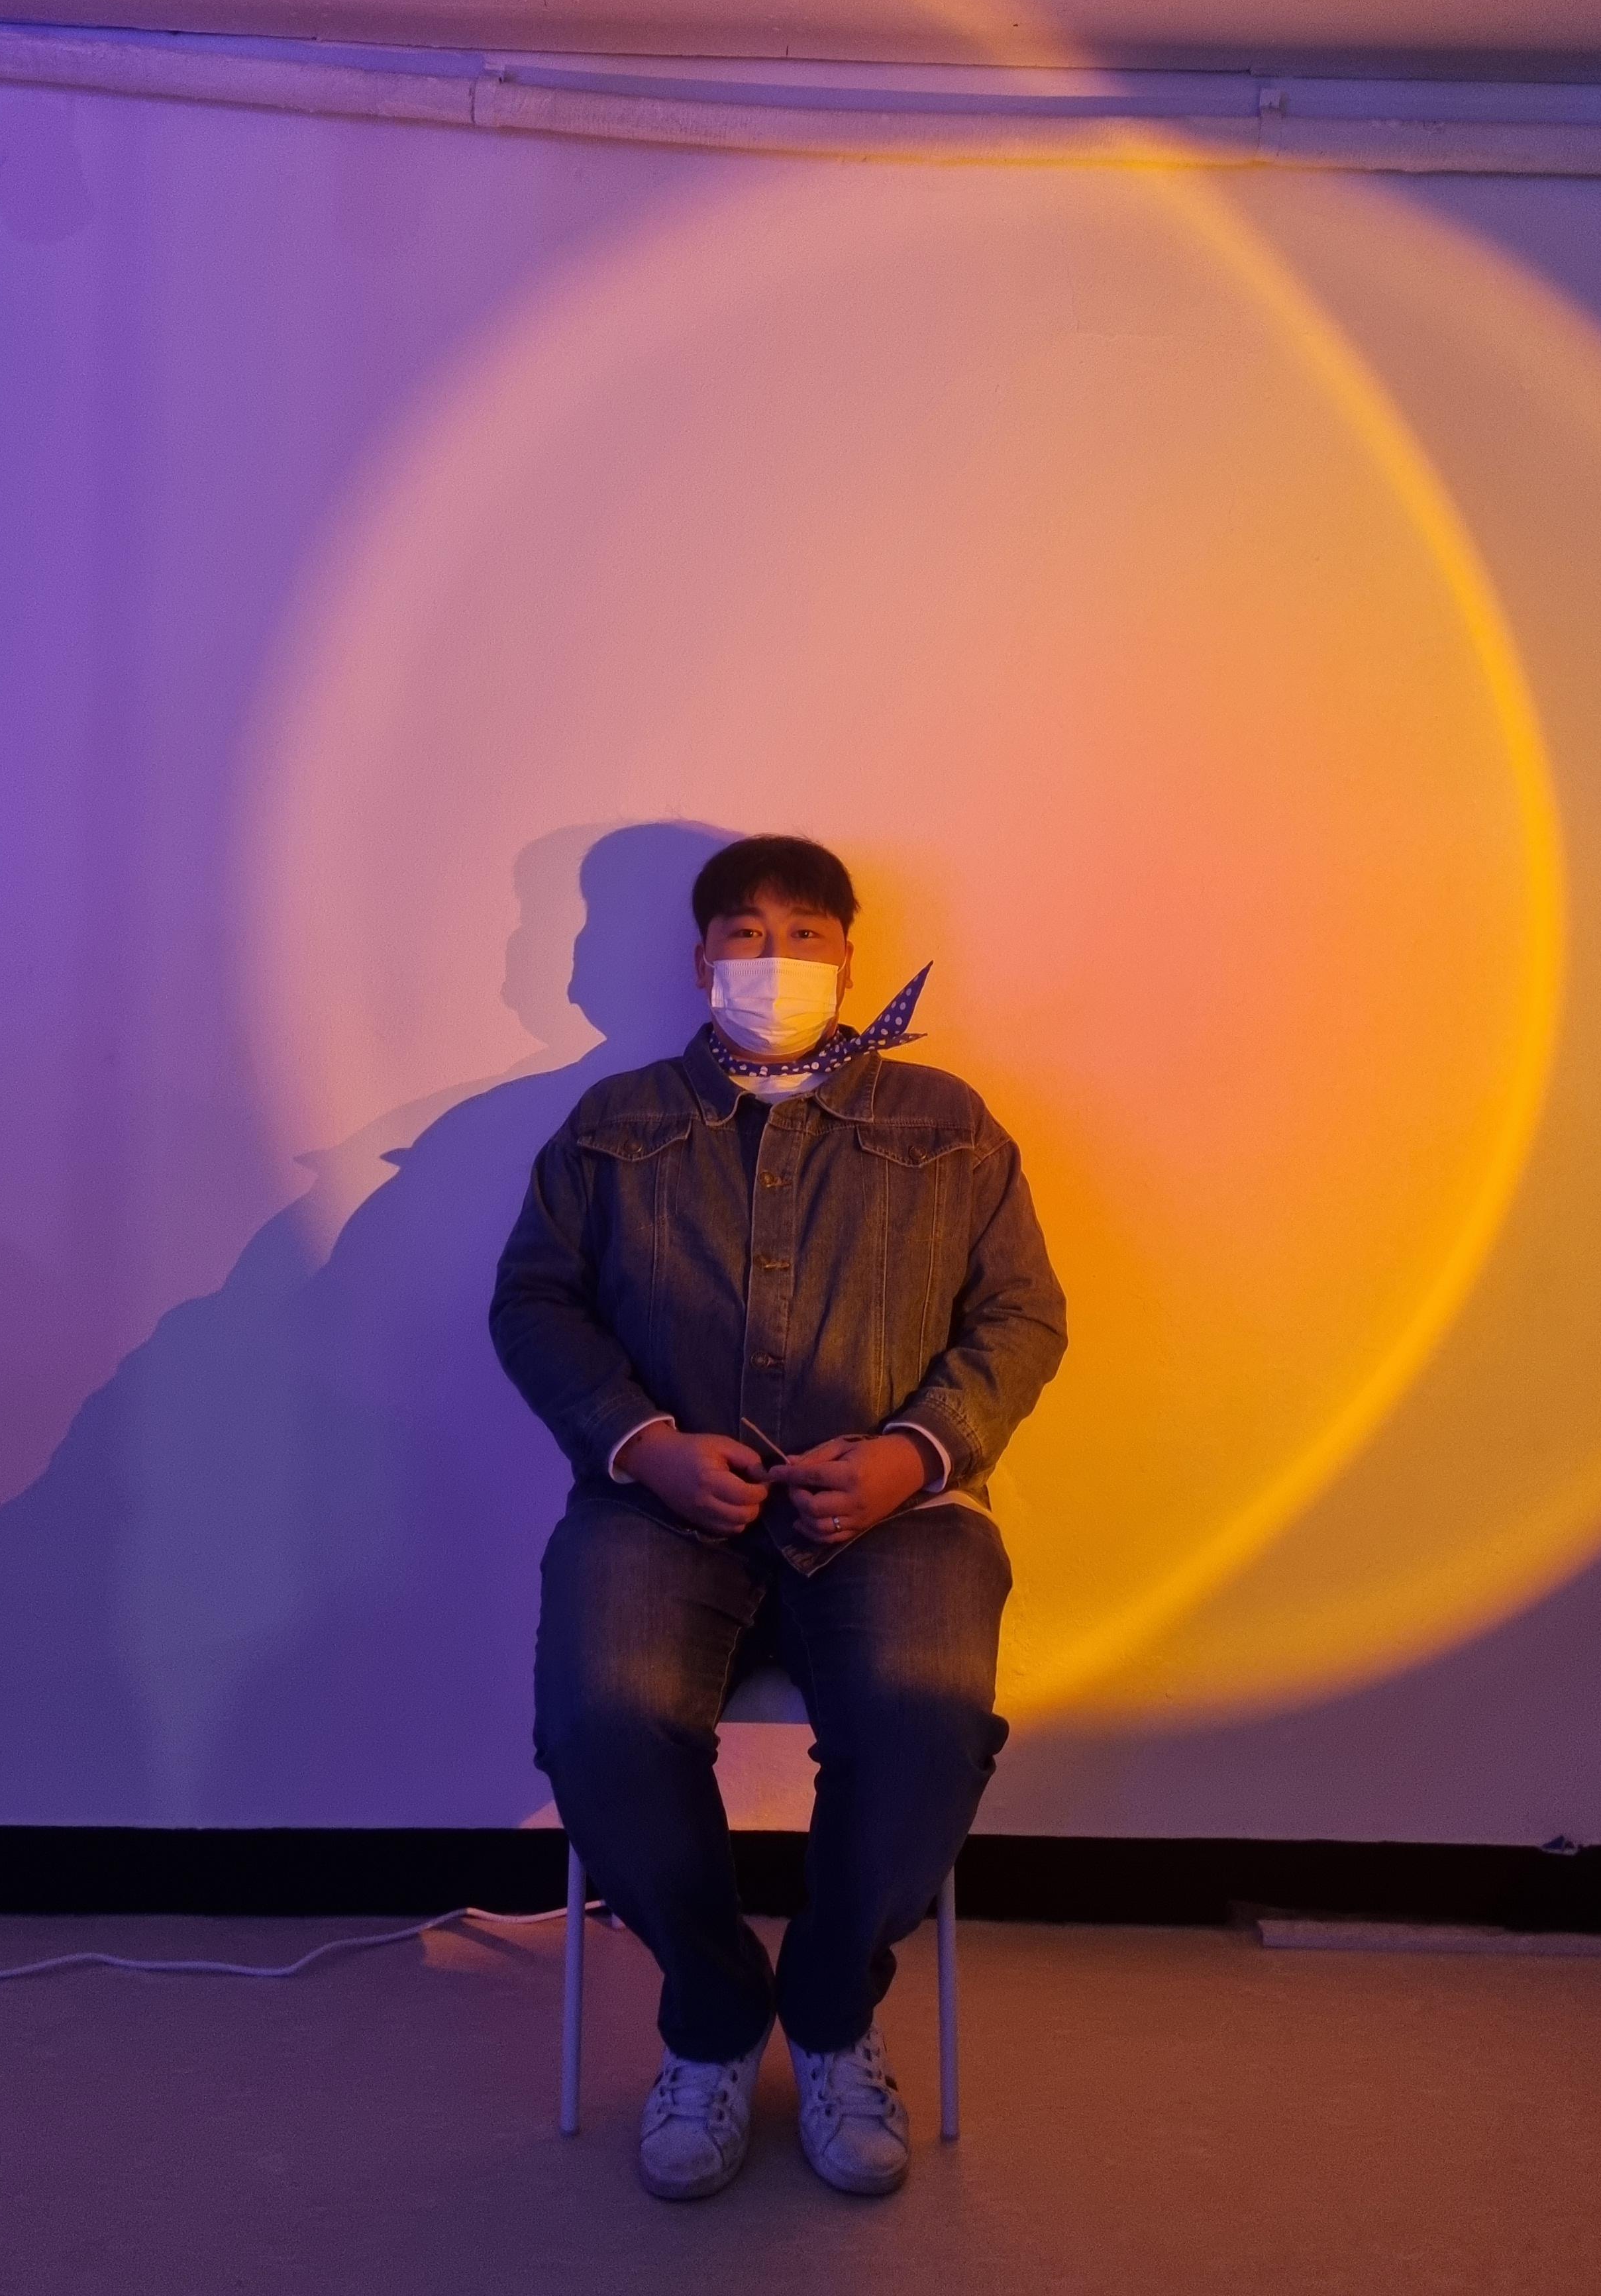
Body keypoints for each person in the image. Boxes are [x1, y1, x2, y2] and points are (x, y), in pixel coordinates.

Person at [490, 834, 1066, 2200]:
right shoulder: (615, 1123)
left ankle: (828, 2011)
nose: (775, 958)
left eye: (806, 934)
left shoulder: (945, 1122)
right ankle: (711, 2015)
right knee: (602, 1720)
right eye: (744, 934)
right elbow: (535, 1303)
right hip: (658, 1508)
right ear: (701, 960)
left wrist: (913, 1456)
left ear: (849, 960)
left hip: (898, 1514)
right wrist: (644, 1446)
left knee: (927, 1720)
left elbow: (1023, 1315)